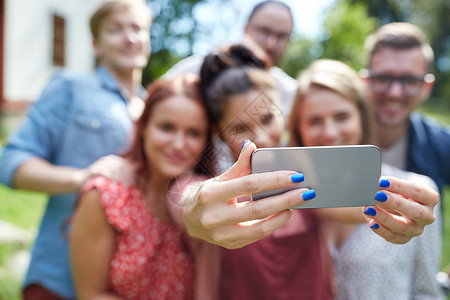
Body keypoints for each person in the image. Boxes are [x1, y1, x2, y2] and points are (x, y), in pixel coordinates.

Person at [167, 46, 439, 299]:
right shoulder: (211, 183)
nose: (260, 137)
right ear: (220, 133)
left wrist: (408, 209)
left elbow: (355, 203)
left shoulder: (305, 175)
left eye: (266, 118)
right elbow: (187, 198)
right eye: (240, 128)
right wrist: (196, 209)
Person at [0, 0, 152, 299]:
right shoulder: (71, 88)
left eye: (137, 28)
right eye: (115, 29)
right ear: (96, 45)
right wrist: (81, 178)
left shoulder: (155, 110)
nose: (129, 37)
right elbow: (10, 162)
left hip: (128, 280)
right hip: (60, 275)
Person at [289, 58, 443, 299]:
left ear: (361, 117)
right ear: (299, 130)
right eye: (314, 121)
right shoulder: (287, 199)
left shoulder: (413, 192)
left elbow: (427, 292)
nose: (329, 133)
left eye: (341, 117)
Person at [70, 74, 215, 300]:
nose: (178, 145)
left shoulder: (205, 203)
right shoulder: (105, 197)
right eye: (166, 128)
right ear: (144, 127)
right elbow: (91, 294)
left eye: (194, 133)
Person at [163, 0, 298, 120]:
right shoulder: (194, 71)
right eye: (264, 31)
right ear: (246, 29)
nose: (271, 43)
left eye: (281, 36)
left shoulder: (289, 92)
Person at [361, 22, 450, 194]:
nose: (395, 93)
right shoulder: (335, 137)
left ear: (426, 87)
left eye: (410, 80)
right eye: (384, 78)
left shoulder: (442, 144)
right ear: (365, 82)